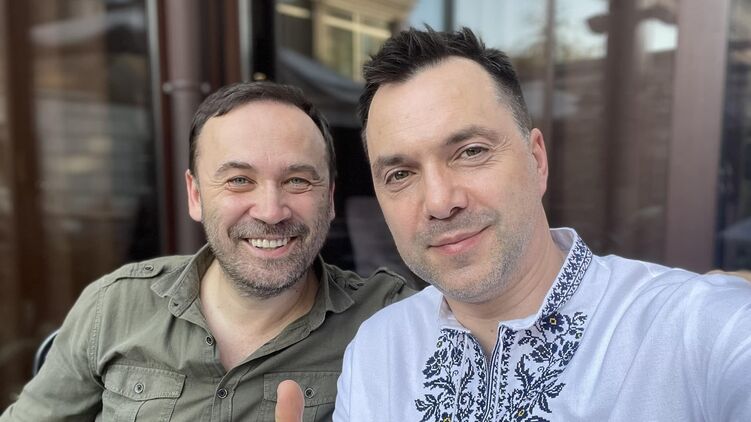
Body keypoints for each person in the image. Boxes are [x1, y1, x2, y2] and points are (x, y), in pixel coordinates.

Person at [331, 27, 751, 421]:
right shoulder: (375, 352)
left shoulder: (695, 329)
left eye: (471, 151)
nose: (440, 202)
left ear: (537, 161)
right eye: (400, 174)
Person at [0, 81, 412, 421]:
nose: (270, 211)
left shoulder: (392, 322)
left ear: (330, 197)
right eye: (239, 180)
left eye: (297, 181)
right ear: (195, 195)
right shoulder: (114, 307)